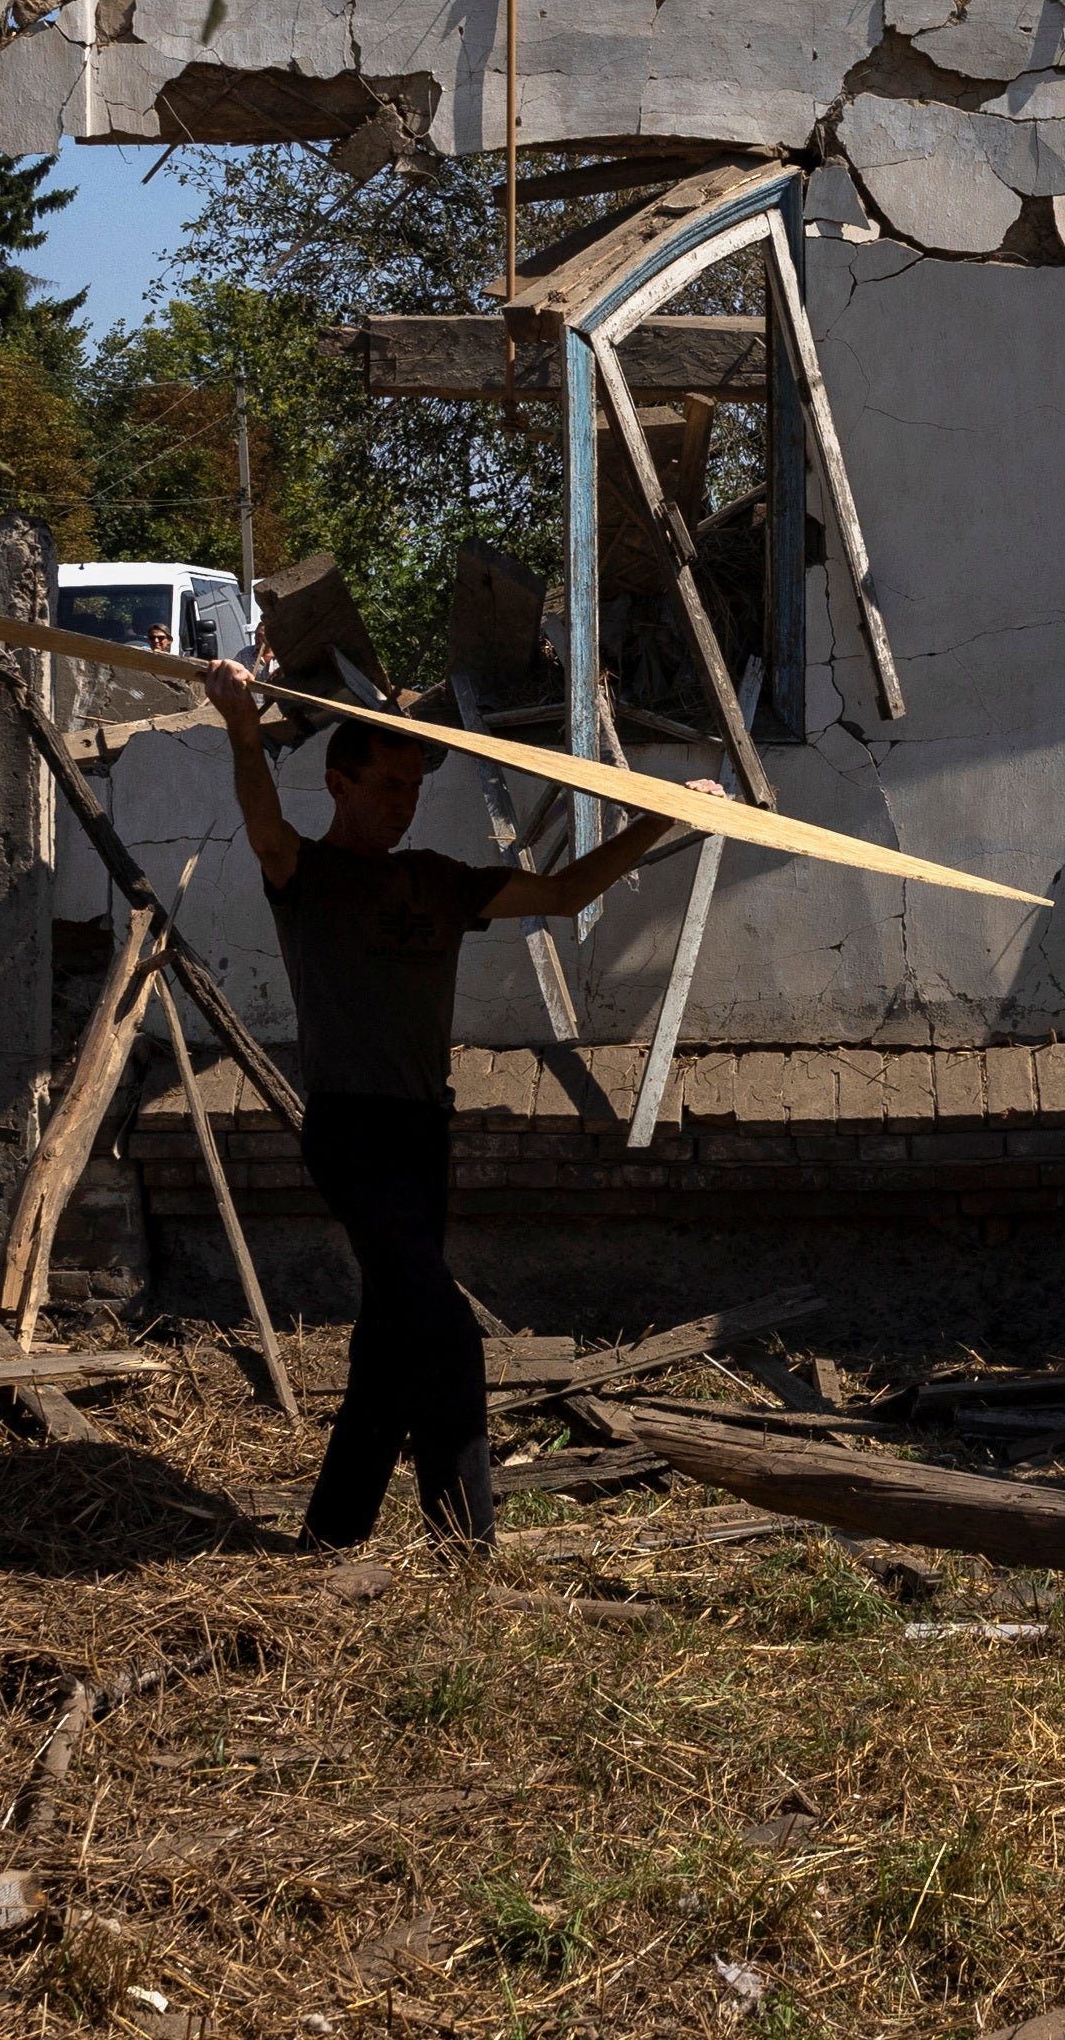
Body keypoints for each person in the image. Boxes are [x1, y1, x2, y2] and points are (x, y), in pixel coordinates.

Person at [203, 656, 685, 1549]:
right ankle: (467, 1549)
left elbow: (569, 890)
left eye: (415, 788)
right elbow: (263, 823)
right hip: (350, 1132)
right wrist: (240, 724)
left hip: (424, 1137)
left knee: (388, 1347)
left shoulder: (439, 880)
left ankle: (333, 1534)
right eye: (388, 785)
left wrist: (659, 819)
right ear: (337, 782)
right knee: (447, 1334)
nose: (404, 803)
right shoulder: (305, 874)